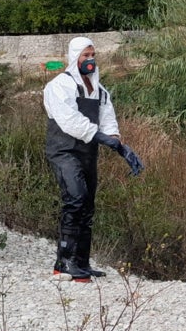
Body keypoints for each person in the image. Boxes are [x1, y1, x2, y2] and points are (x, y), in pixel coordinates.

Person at [43, 37, 143, 282]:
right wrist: (101, 138)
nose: (90, 60)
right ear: (74, 56)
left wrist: (120, 146)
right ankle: (63, 263)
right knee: (75, 199)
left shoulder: (100, 90)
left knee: (87, 206)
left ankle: (82, 264)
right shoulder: (59, 86)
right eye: (85, 55)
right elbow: (71, 121)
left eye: (92, 55)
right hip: (64, 150)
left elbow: (108, 119)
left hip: (88, 152)